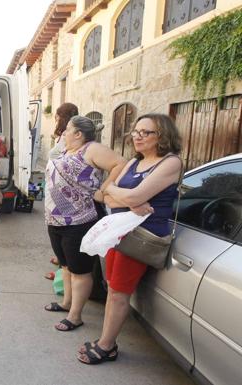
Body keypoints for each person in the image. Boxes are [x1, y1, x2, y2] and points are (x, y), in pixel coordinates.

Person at [77, 113, 182, 364]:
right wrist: (125, 195)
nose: (137, 136)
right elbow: (102, 195)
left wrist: (119, 193)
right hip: (119, 232)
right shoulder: (133, 163)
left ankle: (106, 345)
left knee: (118, 293)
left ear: (163, 136)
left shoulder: (170, 163)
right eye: (136, 131)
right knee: (113, 288)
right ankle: (107, 340)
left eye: (146, 132)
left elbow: (125, 196)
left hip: (141, 236)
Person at [43, 116, 126, 332]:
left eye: (68, 129)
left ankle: (75, 315)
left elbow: (121, 163)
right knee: (66, 266)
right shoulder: (64, 150)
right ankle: (66, 303)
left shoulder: (91, 149)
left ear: (79, 134)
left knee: (80, 270)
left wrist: (105, 188)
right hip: (56, 219)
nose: (63, 133)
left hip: (81, 219)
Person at [45, 103, 79, 278]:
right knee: (57, 233)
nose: (55, 119)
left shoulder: (68, 136)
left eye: (57, 116)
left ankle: (61, 273)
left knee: (63, 234)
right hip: (55, 185)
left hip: (63, 189)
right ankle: (61, 270)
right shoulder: (63, 135)